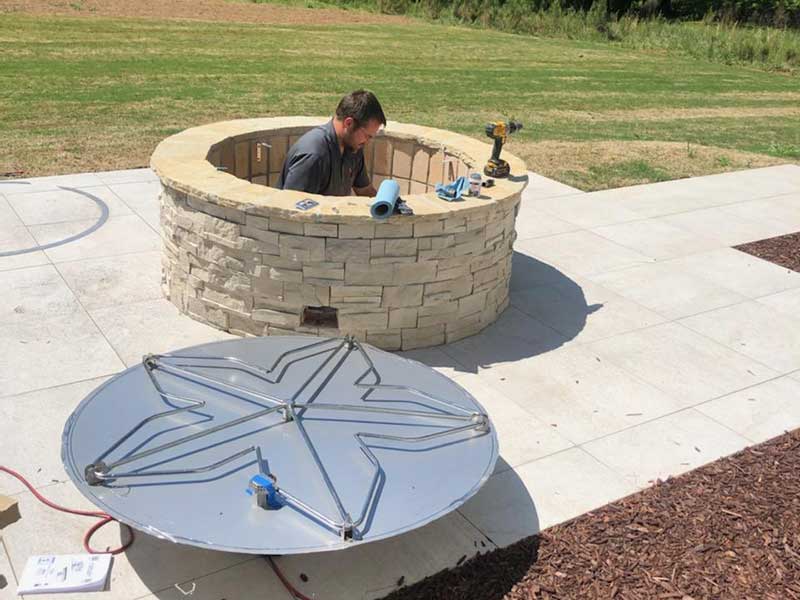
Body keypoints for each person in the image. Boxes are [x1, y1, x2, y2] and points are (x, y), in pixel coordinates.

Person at [278, 90, 386, 197]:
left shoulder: (353, 147)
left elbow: (365, 191)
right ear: (349, 123)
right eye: (367, 136)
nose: (367, 142)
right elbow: (293, 206)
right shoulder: (314, 156)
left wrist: (387, 205)